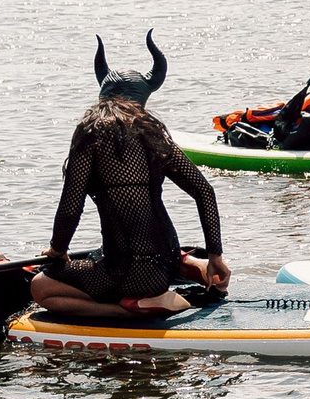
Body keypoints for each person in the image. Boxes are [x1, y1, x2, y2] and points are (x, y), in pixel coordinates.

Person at [33, 33, 232, 319]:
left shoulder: (90, 132)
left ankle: (128, 309)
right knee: (121, 251)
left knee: (42, 288)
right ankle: (207, 270)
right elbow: (205, 191)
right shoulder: (152, 132)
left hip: (126, 273)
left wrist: (58, 251)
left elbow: (70, 207)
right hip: (165, 263)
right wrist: (216, 254)